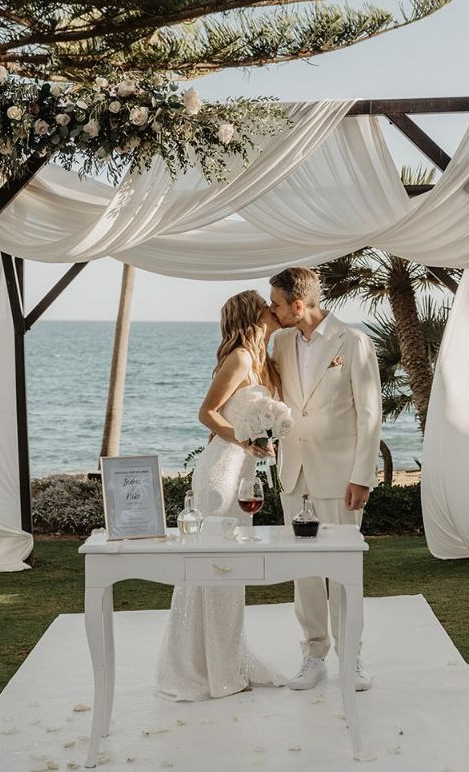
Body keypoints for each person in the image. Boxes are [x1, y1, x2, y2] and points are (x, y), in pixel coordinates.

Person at [156, 290, 286, 701]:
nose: (271, 308)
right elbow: (206, 413)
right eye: (265, 304)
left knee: (229, 573)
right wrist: (244, 439)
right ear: (252, 314)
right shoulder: (241, 359)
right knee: (214, 572)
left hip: (241, 474)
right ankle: (206, 668)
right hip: (219, 475)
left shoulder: (263, 360)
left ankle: (224, 661)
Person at [269, 267, 382, 692]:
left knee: (343, 570)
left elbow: (369, 414)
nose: (272, 311)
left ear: (298, 305)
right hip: (294, 473)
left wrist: (362, 476)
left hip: (340, 474)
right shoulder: (280, 342)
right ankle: (313, 654)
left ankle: (351, 655)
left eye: (276, 304)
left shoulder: (352, 342)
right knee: (304, 572)